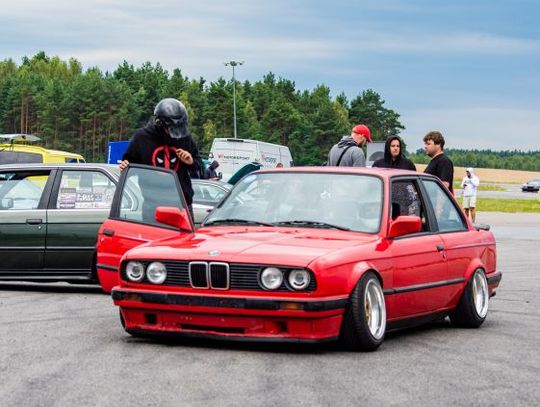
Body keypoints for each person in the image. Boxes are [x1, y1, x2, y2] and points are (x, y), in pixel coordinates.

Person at [119, 98, 200, 220]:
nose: (175, 134)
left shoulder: (185, 137)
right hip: (153, 205)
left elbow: (199, 167)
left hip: (181, 204)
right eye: (171, 129)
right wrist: (125, 166)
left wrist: (191, 161)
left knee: (185, 234)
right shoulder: (142, 138)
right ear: (159, 124)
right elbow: (129, 166)